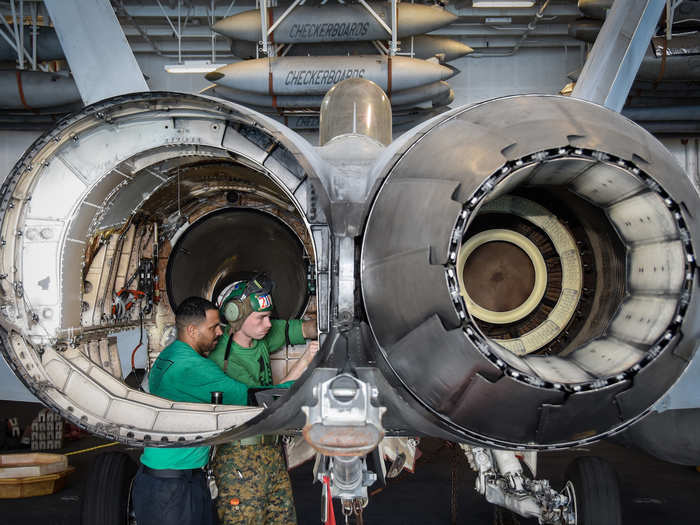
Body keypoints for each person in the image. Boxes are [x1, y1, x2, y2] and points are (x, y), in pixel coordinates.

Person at [208, 278, 319, 525]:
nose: (268, 324)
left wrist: (323, 328)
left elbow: (300, 329)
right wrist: (305, 362)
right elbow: (268, 403)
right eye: (261, 318)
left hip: (271, 453)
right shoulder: (225, 360)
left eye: (269, 316)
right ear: (235, 317)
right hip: (240, 458)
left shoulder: (260, 337)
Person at [131, 296, 249, 525]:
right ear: (193, 330)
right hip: (176, 489)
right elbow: (245, 396)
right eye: (213, 327)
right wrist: (296, 385)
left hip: (160, 479)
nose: (220, 333)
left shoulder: (168, 356)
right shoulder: (193, 367)